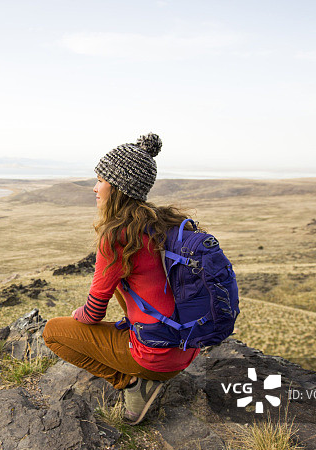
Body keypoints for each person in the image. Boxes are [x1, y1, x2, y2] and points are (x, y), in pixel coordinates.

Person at [42, 132, 199, 425]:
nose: (94, 188)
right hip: (188, 349)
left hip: (157, 358)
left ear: (117, 187)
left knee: (53, 332)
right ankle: (145, 365)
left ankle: (131, 383)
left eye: (100, 180)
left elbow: (92, 315)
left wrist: (79, 314)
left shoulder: (117, 237)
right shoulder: (166, 225)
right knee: (123, 283)